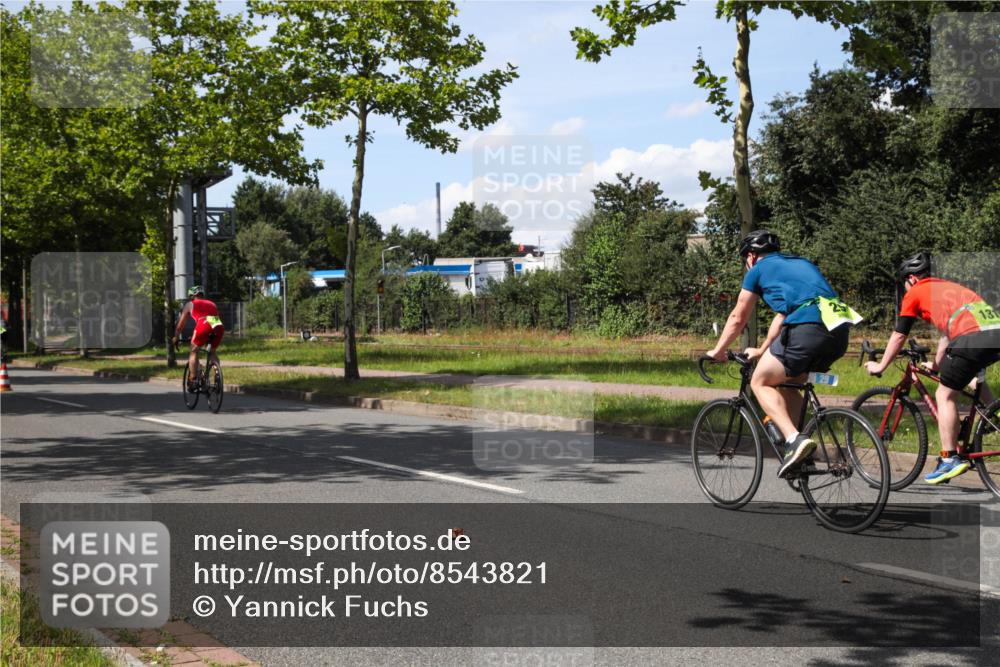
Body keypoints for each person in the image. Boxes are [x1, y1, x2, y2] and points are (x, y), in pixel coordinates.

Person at [706, 230, 861, 478]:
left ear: (752, 256)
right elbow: (782, 316)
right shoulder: (801, 263)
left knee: (759, 381)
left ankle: (793, 439)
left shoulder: (757, 270)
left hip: (806, 329)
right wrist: (762, 349)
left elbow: (738, 316)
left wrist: (719, 350)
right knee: (789, 384)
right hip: (839, 330)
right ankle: (804, 453)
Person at [865, 251, 1000, 484]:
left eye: (904, 284)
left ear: (912, 279)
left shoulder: (916, 292)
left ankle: (949, 459)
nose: (905, 289)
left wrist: (881, 365)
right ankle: (994, 419)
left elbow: (899, 335)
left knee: (944, 395)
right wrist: (937, 366)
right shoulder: (948, 288)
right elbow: (948, 336)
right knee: (971, 378)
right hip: (994, 334)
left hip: (971, 340)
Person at [173, 286, 224, 388]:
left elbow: (180, 325)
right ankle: (218, 376)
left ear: (192, 296)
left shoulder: (190, 304)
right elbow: (212, 321)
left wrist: (176, 337)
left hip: (203, 322)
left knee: (194, 351)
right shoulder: (211, 303)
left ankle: (193, 379)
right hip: (217, 323)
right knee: (212, 352)